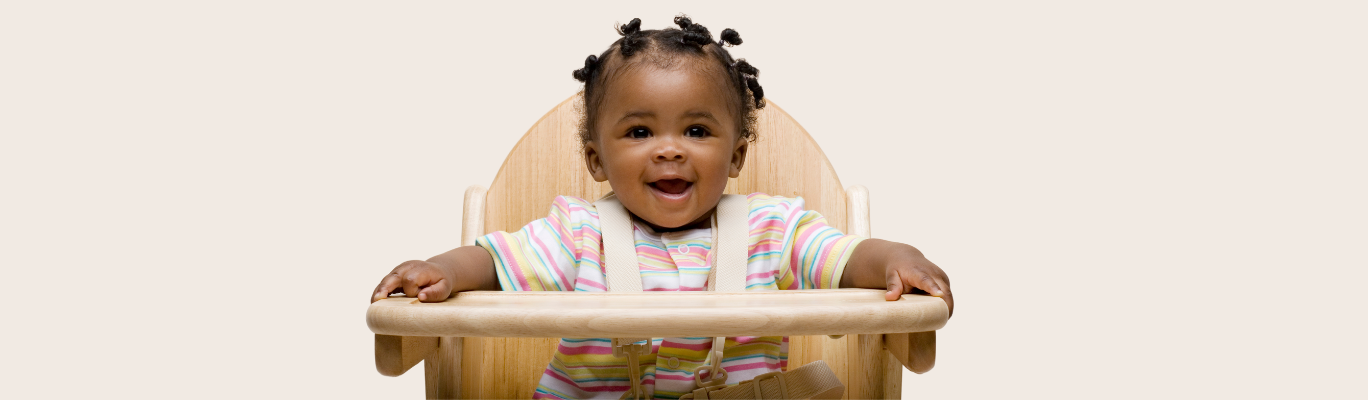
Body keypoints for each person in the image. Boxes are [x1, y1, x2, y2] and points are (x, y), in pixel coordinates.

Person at [369, 15, 953, 399]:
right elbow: (493, 264)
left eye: (697, 130)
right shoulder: (578, 234)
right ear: (597, 160)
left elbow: (846, 260)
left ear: (736, 155)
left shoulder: (771, 230)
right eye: (640, 131)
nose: (670, 149)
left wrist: (898, 258)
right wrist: (441, 270)